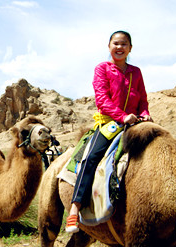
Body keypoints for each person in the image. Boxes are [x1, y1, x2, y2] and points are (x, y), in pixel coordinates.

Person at [65, 31, 152, 234]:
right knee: (91, 157)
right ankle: (75, 208)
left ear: (130, 48)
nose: (119, 47)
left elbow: (143, 100)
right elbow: (102, 100)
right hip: (110, 123)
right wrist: (122, 116)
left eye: (124, 44)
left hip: (135, 123)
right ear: (109, 46)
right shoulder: (102, 69)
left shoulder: (136, 72)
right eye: (116, 43)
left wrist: (145, 114)